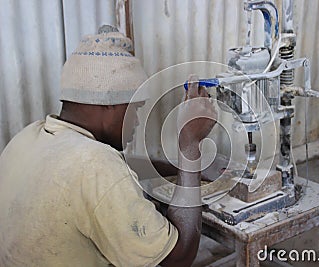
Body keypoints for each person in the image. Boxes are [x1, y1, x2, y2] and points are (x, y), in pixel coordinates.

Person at [0, 25, 217, 266]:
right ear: (108, 105)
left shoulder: (29, 136)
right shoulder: (95, 165)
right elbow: (178, 258)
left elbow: (114, 165)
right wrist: (190, 147)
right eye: (134, 109)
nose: (136, 121)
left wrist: (183, 171)